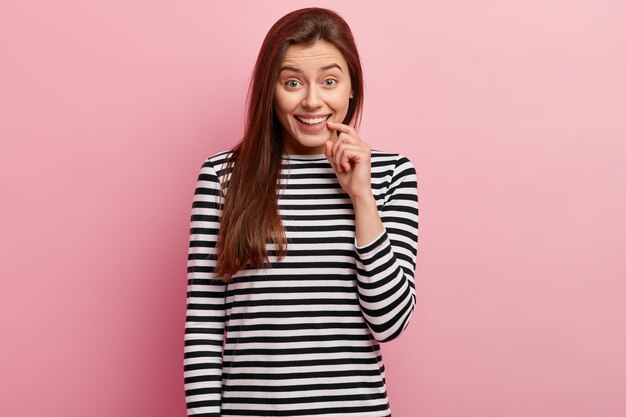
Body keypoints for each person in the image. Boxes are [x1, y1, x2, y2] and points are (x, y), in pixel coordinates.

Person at [183, 7, 419, 417]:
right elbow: (203, 326)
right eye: (292, 82)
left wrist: (362, 197)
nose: (312, 100)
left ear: (351, 88)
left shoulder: (391, 174)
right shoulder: (223, 176)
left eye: (329, 81)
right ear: (269, 91)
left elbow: (390, 322)